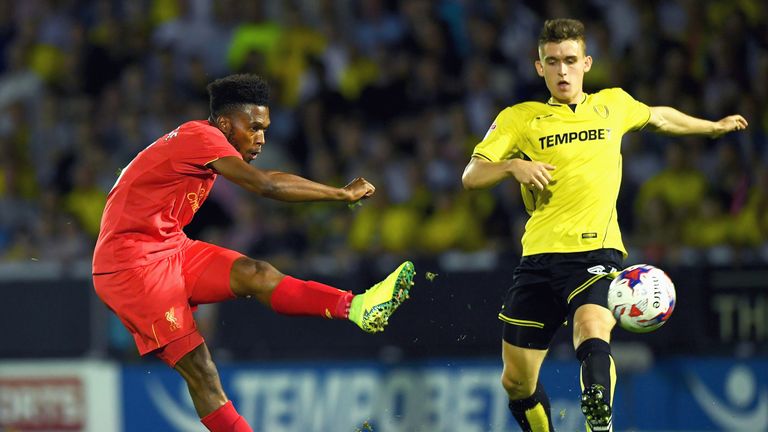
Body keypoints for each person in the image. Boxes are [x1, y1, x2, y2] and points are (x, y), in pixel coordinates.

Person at [461, 18, 747, 432]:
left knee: (591, 327)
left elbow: (659, 117)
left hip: (597, 252)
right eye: (553, 62)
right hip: (539, 258)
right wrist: (512, 166)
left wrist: (712, 127)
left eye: (571, 61)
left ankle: (600, 421)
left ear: (587, 63)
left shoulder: (612, 104)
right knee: (516, 381)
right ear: (538, 66)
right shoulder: (519, 119)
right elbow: (471, 175)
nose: (563, 71)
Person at [91, 74, 416, 432]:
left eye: (266, 128)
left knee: (257, 274)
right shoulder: (202, 138)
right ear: (227, 123)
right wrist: (340, 194)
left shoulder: (198, 138)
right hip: (130, 266)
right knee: (203, 372)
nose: (261, 138)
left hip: (168, 246)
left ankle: (357, 307)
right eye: (255, 127)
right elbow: (266, 184)